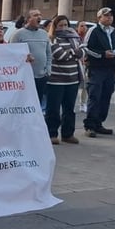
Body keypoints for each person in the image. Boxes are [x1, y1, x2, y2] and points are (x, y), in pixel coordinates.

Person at [82, 7, 115, 137]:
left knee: (106, 95)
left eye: (110, 15)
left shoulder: (114, 31)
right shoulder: (94, 31)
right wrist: (102, 54)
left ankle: (99, 122)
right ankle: (90, 125)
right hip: (97, 68)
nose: (109, 17)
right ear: (99, 18)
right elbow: (86, 48)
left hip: (110, 68)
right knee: (95, 95)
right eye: (106, 16)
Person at [46, 15, 84, 144]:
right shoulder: (52, 39)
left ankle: (68, 134)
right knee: (53, 109)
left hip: (72, 79)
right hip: (56, 80)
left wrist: (73, 53)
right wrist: (74, 53)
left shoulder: (74, 38)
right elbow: (60, 55)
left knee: (69, 109)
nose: (63, 28)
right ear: (55, 27)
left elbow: (83, 52)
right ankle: (52, 134)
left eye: (65, 25)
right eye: (60, 25)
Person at [10, 8, 52, 107]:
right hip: (25, 78)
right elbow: (11, 54)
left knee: (38, 104)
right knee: (25, 105)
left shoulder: (44, 34)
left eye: (40, 14)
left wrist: (48, 69)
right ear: (28, 19)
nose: (39, 17)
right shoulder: (18, 34)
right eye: (35, 15)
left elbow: (48, 53)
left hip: (41, 77)